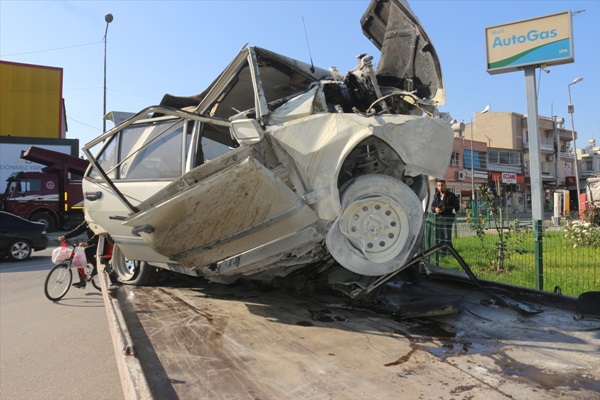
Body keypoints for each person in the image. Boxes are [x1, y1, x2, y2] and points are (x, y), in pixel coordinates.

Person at [58, 221, 97, 289]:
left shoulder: (99, 220)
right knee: (78, 258)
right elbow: (78, 230)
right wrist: (65, 236)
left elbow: (100, 234)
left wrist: (88, 243)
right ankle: (82, 280)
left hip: (101, 243)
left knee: (85, 252)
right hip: (91, 244)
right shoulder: (88, 220)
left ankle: (96, 267)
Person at [431, 180, 460, 254]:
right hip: (439, 219)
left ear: (445, 186)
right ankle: (442, 252)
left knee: (447, 236)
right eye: (439, 185)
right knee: (440, 236)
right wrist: (435, 209)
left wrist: (446, 208)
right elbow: (432, 207)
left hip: (448, 218)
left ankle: (449, 251)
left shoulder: (451, 196)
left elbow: (456, 207)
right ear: (437, 187)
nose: (441, 187)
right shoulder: (436, 196)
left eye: (442, 185)